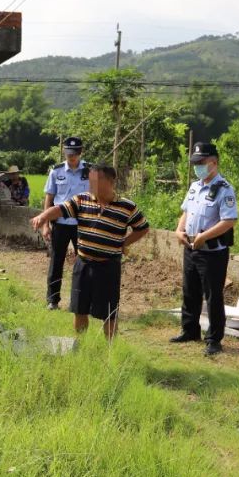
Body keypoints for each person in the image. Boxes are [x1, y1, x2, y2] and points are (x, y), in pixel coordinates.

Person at [30, 165, 149, 340]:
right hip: (83, 264)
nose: (90, 185)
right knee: (79, 308)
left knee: (109, 312)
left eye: (95, 181)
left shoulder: (127, 207)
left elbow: (142, 228)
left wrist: (124, 242)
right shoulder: (81, 200)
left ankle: (110, 350)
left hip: (108, 266)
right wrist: (44, 217)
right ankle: (81, 345)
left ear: (110, 181)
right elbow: (60, 209)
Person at [170, 142, 239, 356]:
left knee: (213, 296)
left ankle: (214, 339)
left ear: (214, 162)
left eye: (201, 163)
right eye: (195, 163)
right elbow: (186, 212)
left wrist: (204, 237)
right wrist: (179, 230)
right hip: (191, 247)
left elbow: (229, 220)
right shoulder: (194, 186)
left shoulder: (224, 189)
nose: (197, 167)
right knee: (189, 290)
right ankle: (190, 329)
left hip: (212, 252)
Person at [42, 137, 90, 310]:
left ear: (81, 152)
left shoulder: (90, 171)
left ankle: (82, 301)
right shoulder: (56, 171)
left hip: (83, 224)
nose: (72, 157)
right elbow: (49, 198)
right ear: (65, 152)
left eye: (75, 154)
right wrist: (45, 224)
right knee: (56, 262)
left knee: (84, 263)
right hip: (60, 224)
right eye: (69, 154)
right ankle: (52, 300)